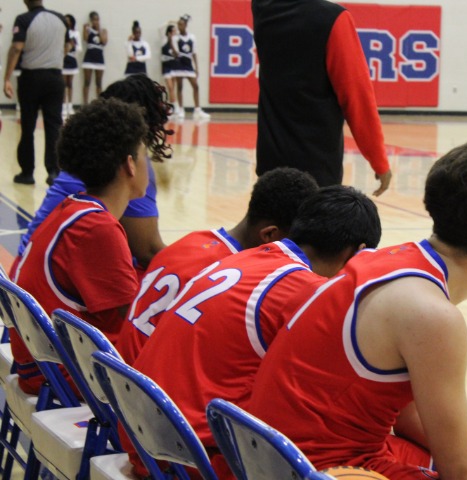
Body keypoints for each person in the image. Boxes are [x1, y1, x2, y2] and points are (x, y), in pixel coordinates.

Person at [246, 139, 467, 480]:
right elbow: (462, 469)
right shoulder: (431, 316)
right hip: (322, 471)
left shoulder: (381, 261)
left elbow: (410, 421)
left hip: (268, 460)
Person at [127, 185, 382, 478]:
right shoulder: (307, 291)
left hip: (143, 433)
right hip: (191, 459)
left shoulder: (240, 256)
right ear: (358, 253)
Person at [10, 97, 149, 395]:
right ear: (130, 165)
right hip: (64, 374)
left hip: (42, 363)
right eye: (144, 155)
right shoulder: (97, 228)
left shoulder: (73, 208)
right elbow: (132, 323)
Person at [118, 167, 319, 364]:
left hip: (124, 366)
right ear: (270, 235)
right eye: (296, 246)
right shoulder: (230, 276)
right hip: (145, 375)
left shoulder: (194, 239)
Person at [8, 74, 173, 281]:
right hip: (48, 286)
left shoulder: (87, 156)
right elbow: (147, 251)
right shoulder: (125, 171)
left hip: (24, 273)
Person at [252, 0, 392, 194]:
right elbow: (357, 95)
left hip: (270, 162)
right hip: (317, 168)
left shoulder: (262, 8)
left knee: (271, 214)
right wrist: (379, 161)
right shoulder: (333, 18)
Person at [3, 0, 70, 186]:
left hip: (31, 78)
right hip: (55, 78)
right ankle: (54, 171)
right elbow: (67, 46)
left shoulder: (23, 19)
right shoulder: (60, 19)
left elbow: (17, 48)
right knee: (54, 125)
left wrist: (6, 78)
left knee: (28, 125)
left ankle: (27, 173)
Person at [172, 14, 210, 120]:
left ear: (186, 25)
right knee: (180, 87)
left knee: (195, 86)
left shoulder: (192, 37)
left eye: (181, 24)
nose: (179, 26)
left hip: (188, 64)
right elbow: (175, 53)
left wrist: (196, 67)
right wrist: (171, 41)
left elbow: (194, 53)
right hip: (179, 63)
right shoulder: (175, 38)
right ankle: (181, 109)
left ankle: (197, 110)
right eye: (178, 25)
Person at [82, 11, 107, 104]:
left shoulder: (103, 31)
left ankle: (99, 103)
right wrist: (85, 29)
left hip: (99, 58)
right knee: (87, 82)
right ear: (91, 20)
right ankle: (85, 103)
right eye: (94, 20)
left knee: (99, 83)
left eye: (97, 19)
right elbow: (85, 39)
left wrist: (99, 31)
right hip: (89, 57)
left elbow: (104, 42)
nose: (96, 22)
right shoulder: (88, 29)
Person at [62, 14, 82, 117]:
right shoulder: (62, 32)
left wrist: (73, 45)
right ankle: (63, 106)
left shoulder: (76, 33)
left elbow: (79, 48)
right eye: (65, 20)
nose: (67, 22)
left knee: (70, 83)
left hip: (72, 58)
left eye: (68, 20)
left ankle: (70, 105)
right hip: (63, 58)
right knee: (63, 83)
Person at [160, 24, 178, 106]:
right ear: (169, 32)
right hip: (166, 66)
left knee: (172, 88)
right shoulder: (164, 39)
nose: (175, 32)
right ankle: (173, 104)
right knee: (170, 87)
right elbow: (160, 29)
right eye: (173, 31)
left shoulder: (176, 42)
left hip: (173, 65)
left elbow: (177, 54)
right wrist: (169, 22)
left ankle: (172, 104)